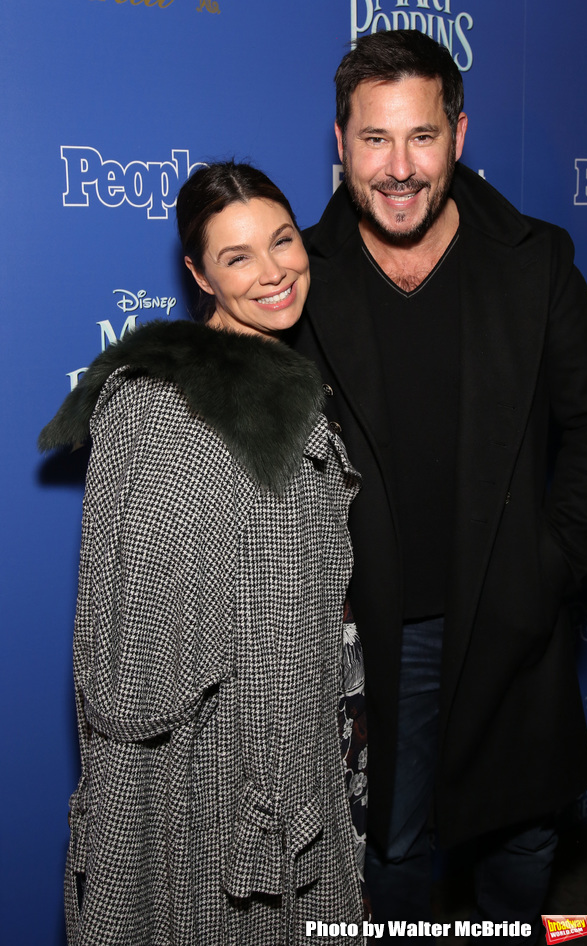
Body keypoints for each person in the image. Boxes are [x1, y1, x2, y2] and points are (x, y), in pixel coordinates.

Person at [287, 29, 587, 941]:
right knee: (389, 850)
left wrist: (553, 564)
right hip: (374, 627)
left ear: (459, 135)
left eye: (421, 136)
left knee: (526, 836)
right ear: (339, 142)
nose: (398, 168)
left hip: (509, 603)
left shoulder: (534, 260)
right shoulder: (295, 279)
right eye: (375, 139)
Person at [39, 162, 366, 946]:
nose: (274, 271)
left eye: (283, 241)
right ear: (199, 275)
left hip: (307, 743)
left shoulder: (288, 376)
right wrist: (265, 763)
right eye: (238, 256)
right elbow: (136, 674)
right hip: (218, 781)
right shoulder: (164, 407)